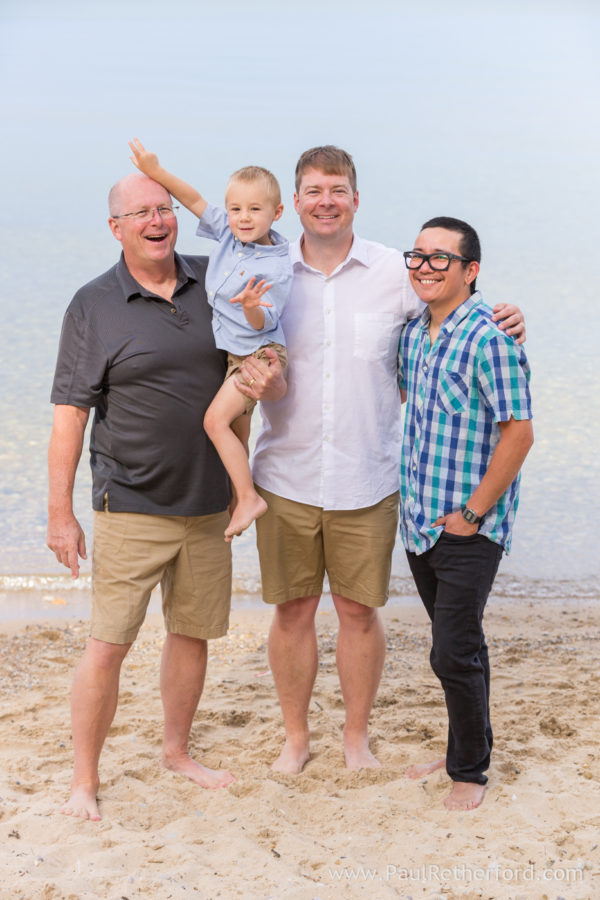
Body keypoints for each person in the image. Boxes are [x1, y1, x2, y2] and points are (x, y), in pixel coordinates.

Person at [233, 147, 527, 774]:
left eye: (337, 189)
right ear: (294, 202)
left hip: (368, 478)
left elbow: (452, 301)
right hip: (283, 474)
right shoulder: (270, 270)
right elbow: (221, 315)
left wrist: (510, 314)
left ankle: (356, 739)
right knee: (291, 611)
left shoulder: (395, 271)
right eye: (313, 191)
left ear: (356, 199)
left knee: (359, 612)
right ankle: (295, 739)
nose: (326, 201)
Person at [46, 172, 257, 820]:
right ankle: (85, 778)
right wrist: (60, 515)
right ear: (117, 228)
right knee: (108, 644)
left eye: (163, 208)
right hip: (130, 505)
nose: (156, 220)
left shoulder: (212, 279)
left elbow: (287, 289)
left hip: (207, 505)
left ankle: (176, 750)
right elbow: (70, 417)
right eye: (140, 213)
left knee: (191, 635)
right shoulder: (92, 305)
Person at [398, 216, 533, 811]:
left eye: (440, 259)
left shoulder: (491, 338)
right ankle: (466, 745)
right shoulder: (413, 333)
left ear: (470, 271)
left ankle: (470, 771)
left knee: (452, 649)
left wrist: (473, 514)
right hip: (421, 521)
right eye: (418, 256)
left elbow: (519, 435)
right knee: (457, 644)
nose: (425, 267)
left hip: (470, 525)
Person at [128, 139, 292, 541]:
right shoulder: (229, 237)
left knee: (214, 421)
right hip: (236, 354)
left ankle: (250, 498)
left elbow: (260, 323)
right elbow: (194, 199)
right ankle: (239, 499)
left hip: (260, 355)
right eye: (236, 209)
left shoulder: (276, 266)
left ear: (278, 212)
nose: (243, 217)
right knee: (235, 433)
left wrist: (252, 304)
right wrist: (156, 170)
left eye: (255, 209)